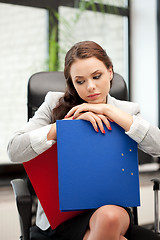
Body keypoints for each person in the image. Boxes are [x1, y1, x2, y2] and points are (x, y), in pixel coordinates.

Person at [7, 41, 160, 240]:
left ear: (110, 72)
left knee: (109, 217)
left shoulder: (127, 111)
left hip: (112, 208)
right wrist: (62, 128)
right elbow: (14, 150)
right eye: (80, 81)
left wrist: (109, 111)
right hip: (61, 216)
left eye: (97, 76)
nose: (91, 87)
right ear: (72, 82)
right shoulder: (53, 103)